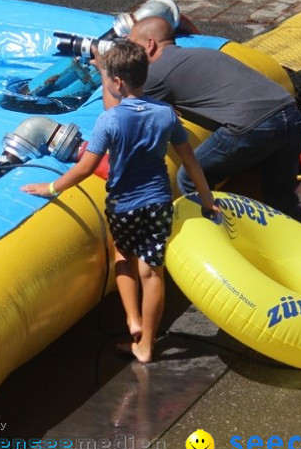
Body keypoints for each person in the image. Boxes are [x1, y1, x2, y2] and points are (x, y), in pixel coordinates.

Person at [23, 42, 218, 363]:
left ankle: (133, 319)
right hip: (158, 203)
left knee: (122, 258)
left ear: (116, 83)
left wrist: (52, 187)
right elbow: (190, 161)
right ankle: (147, 346)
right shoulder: (165, 115)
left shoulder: (109, 121)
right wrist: (207, 200)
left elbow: (86, 167)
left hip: (124, 205)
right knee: (152, 272)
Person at [128, 15, 301, 228]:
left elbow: (121, 111)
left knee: (191, 178)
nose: (132, 53)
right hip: (291, 115)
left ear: (150, 44)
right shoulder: (202, 54)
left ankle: (220, 237)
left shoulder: (157, 71)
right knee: (282, 201)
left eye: (134, 46)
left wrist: (106, 71)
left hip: (252, 126)